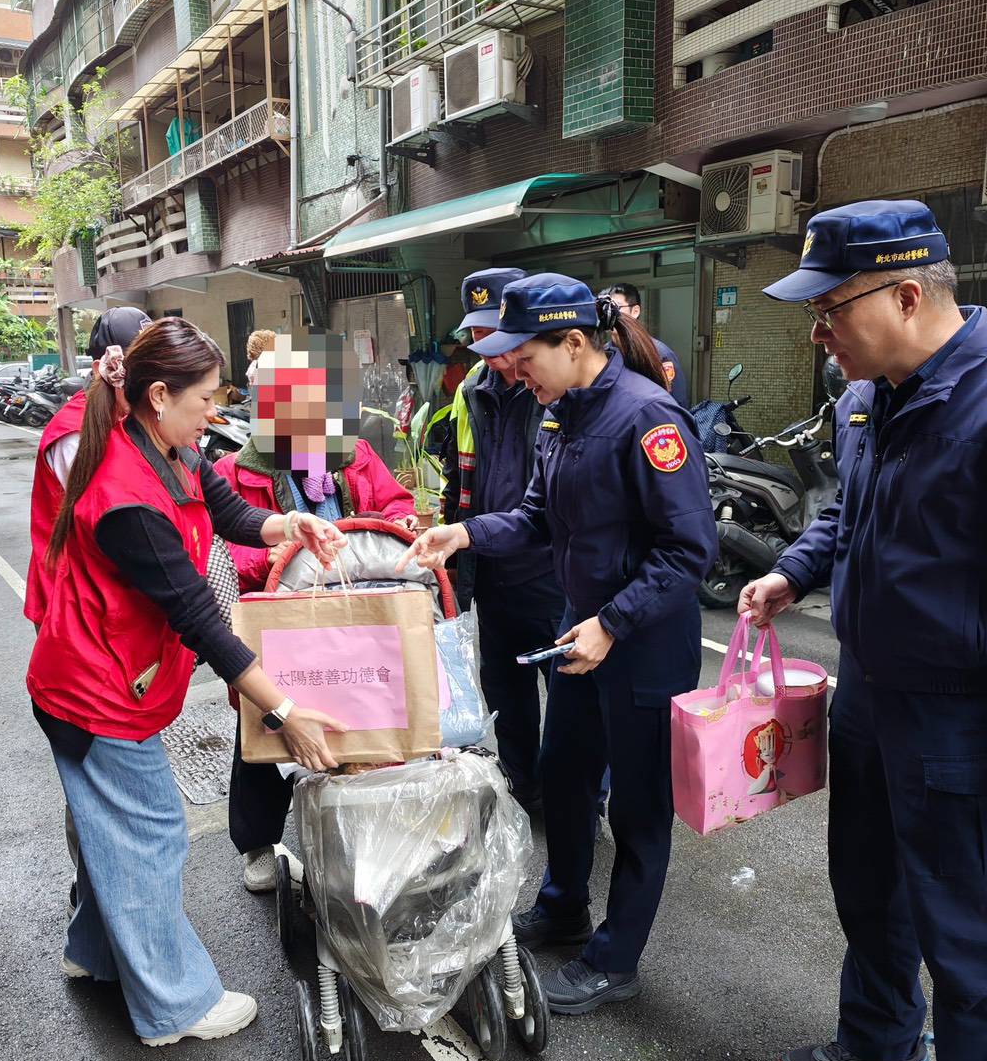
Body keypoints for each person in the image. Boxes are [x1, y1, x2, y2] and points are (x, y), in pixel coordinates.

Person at [738, 200, 987, 1061]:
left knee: (975, 948)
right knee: (868, 894)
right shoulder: (867, 399)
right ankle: (880, 1044)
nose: (818, 335)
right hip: (869, 696)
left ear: (907, 295)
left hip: (967, 723)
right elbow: (848, 514)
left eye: (829, 311)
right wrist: (793, 572)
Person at [399, 274, 717, 1015]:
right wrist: (465, 532)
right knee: (564, 775)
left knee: (638, 805)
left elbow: (687, 550)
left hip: (640, 642)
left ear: (574, 343)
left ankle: (615, 958)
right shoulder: (558, 416)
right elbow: (536, 517)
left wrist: (613, 623)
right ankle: (563, 906)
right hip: (580, 630)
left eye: (524, 357)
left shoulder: (647, 418)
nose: (514, 371)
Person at [26, 318, 349, 1047]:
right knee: (150, 837)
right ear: (158, 395)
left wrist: (289, 525)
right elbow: (200, 617)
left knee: (112, 832)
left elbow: (226, 512)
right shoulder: (124, 494)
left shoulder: (170, 446)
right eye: (206, 398)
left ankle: (94, 955)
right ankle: (173, 1007)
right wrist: (285, 710)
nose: (216, 412)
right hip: (94, 690)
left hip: (111, 673)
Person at [214, 333, 416, 891]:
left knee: (361, 715)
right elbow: (224, 549)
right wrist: (271, 555)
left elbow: (393, 503)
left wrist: (399, 523)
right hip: (280, 622)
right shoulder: (235, 471)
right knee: (267, 728)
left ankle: (362, 828)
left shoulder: (356, 456)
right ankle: (258, 843)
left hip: (356, 611)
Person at [440, 267, 565, 811]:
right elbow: (457, 472)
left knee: (570, 696)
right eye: (476, 333)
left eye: (496, 332)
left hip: (553, 573)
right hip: (491, 567)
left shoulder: (558, 386)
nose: (486, 345)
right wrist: (451, 550)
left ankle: (581, 796)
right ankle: (525, 788)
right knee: (506, 694)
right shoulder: (472, 388)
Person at [25, 306, 152, 626]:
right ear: (102, 368)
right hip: (74, 604)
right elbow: (121, 523)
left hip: (120, 594)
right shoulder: (74, 433)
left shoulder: (136, 417)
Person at [601, 283, 688, 406]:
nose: (609, 314)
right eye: (606, 309)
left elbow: (676, 402)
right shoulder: (602, 354)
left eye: (616, 307)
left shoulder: (658, 353)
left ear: (635, 311)